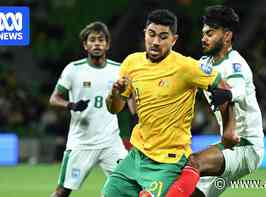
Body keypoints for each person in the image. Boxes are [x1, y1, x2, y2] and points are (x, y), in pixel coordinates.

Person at [102, 9, 230, 197]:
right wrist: (114, 94)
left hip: (169, 160)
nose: (155, 42)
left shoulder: (186, 67)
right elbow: (114, 108)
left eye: (163, 37)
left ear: (174, 40)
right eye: (151, 34)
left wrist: (228, 126)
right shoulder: (131, 63)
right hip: (137, 155)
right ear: (145, 32)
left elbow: (224, 88)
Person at [166, 5, 264, 197]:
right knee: (193, 192)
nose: (204, 38)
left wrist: (228, 94)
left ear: (227, 36)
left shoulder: (235, 64)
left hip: (245, 147)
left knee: (194, 163)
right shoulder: (206, 64)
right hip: (228, 146)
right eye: (203, 33)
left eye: (210, 33)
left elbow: (239, 89)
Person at [49, 21, 128, 197]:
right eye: (92, 40)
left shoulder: (119, 69)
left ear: (107, 44)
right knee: (63, 191)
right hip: (82, 142)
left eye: (101, 40)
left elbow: (128, 97)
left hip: (111, 142)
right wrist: (71, 105)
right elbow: (54, 98)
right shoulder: (73, 69)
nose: (97, 43)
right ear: (85, 45)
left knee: (128, 185)